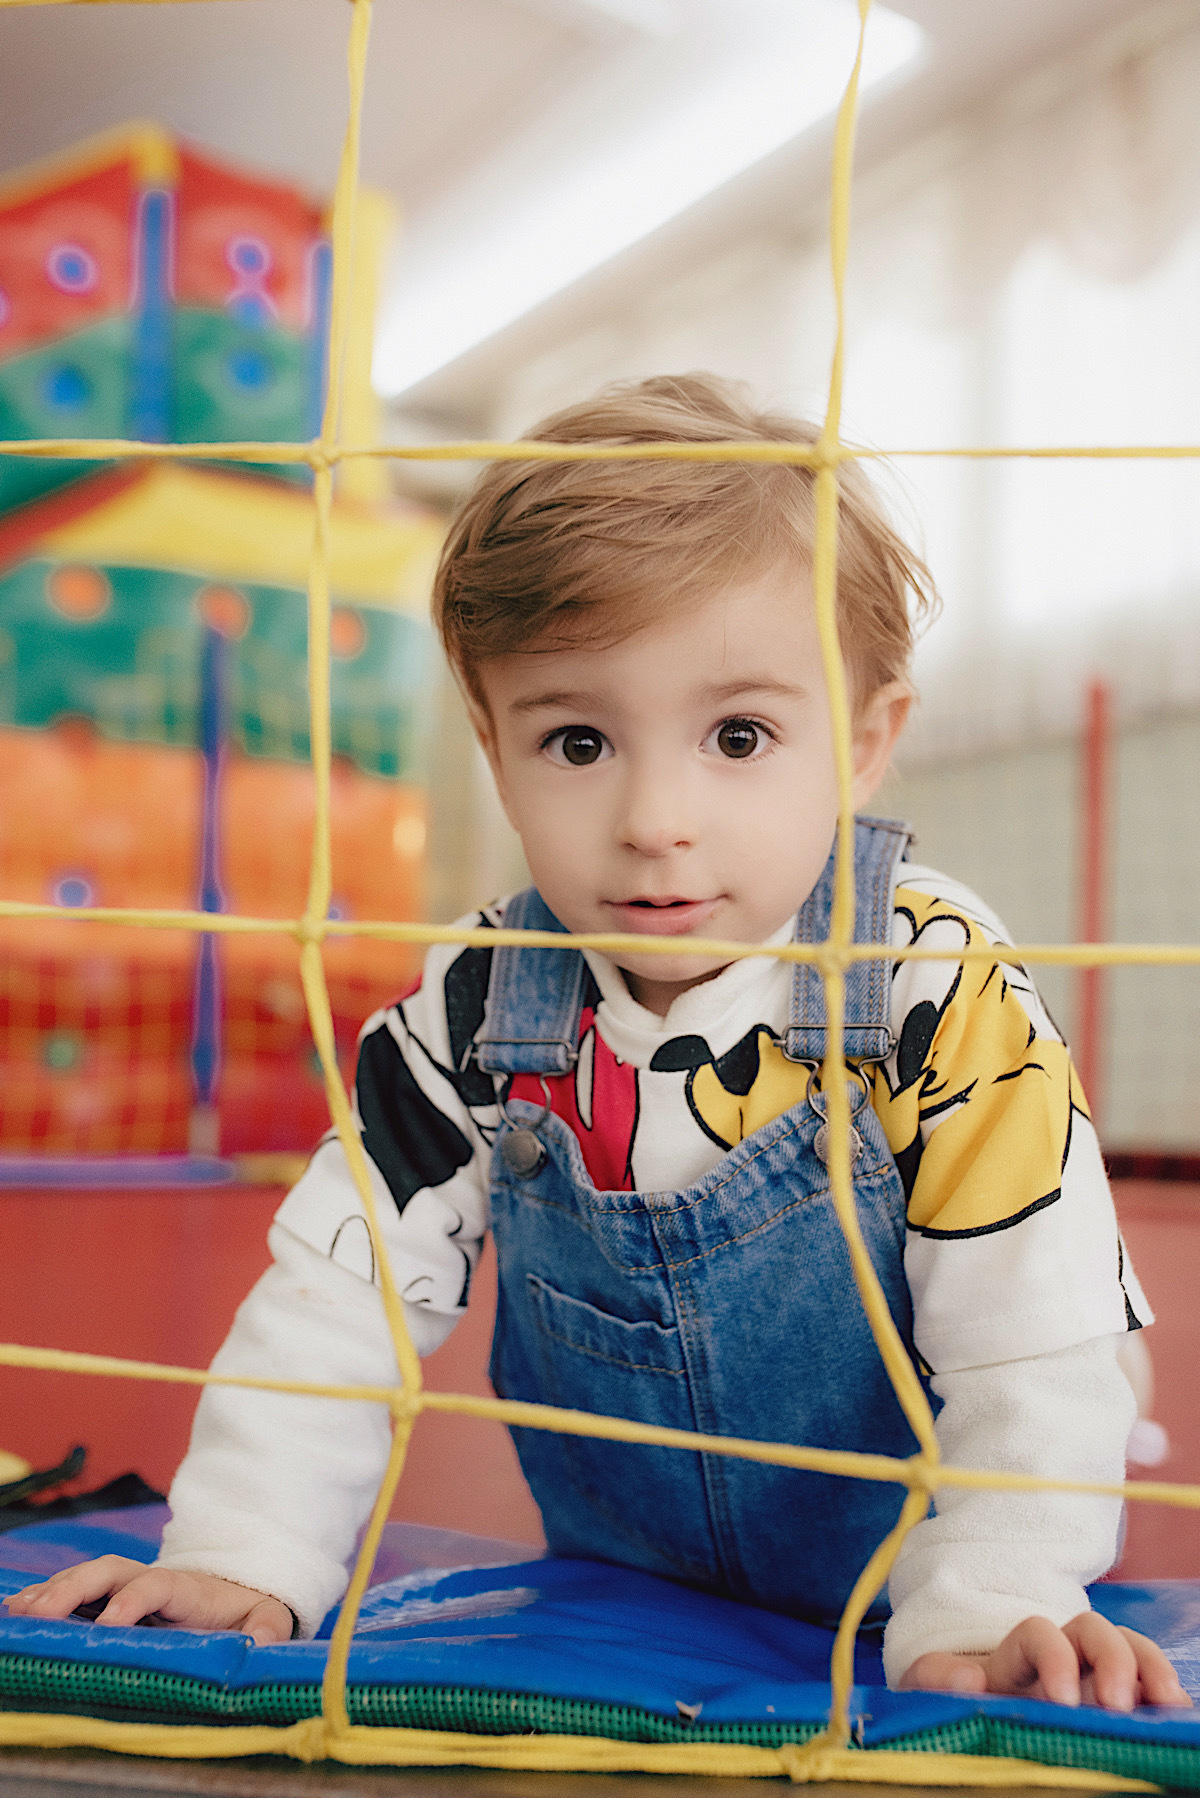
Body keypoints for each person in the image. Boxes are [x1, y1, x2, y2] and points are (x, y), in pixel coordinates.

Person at [7, 375, 1187, 1711]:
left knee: (1056, 1373)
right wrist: (243, 1548)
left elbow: (1033, 1330)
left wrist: (1000, 1593)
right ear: (496, 757)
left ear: (863, 745)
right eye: (578, 739)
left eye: (739, 735)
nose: (655, 817)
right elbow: (337, 1293)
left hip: (957, 1541)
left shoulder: (932, 979)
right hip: (639, 1586)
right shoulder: (478, 1002)